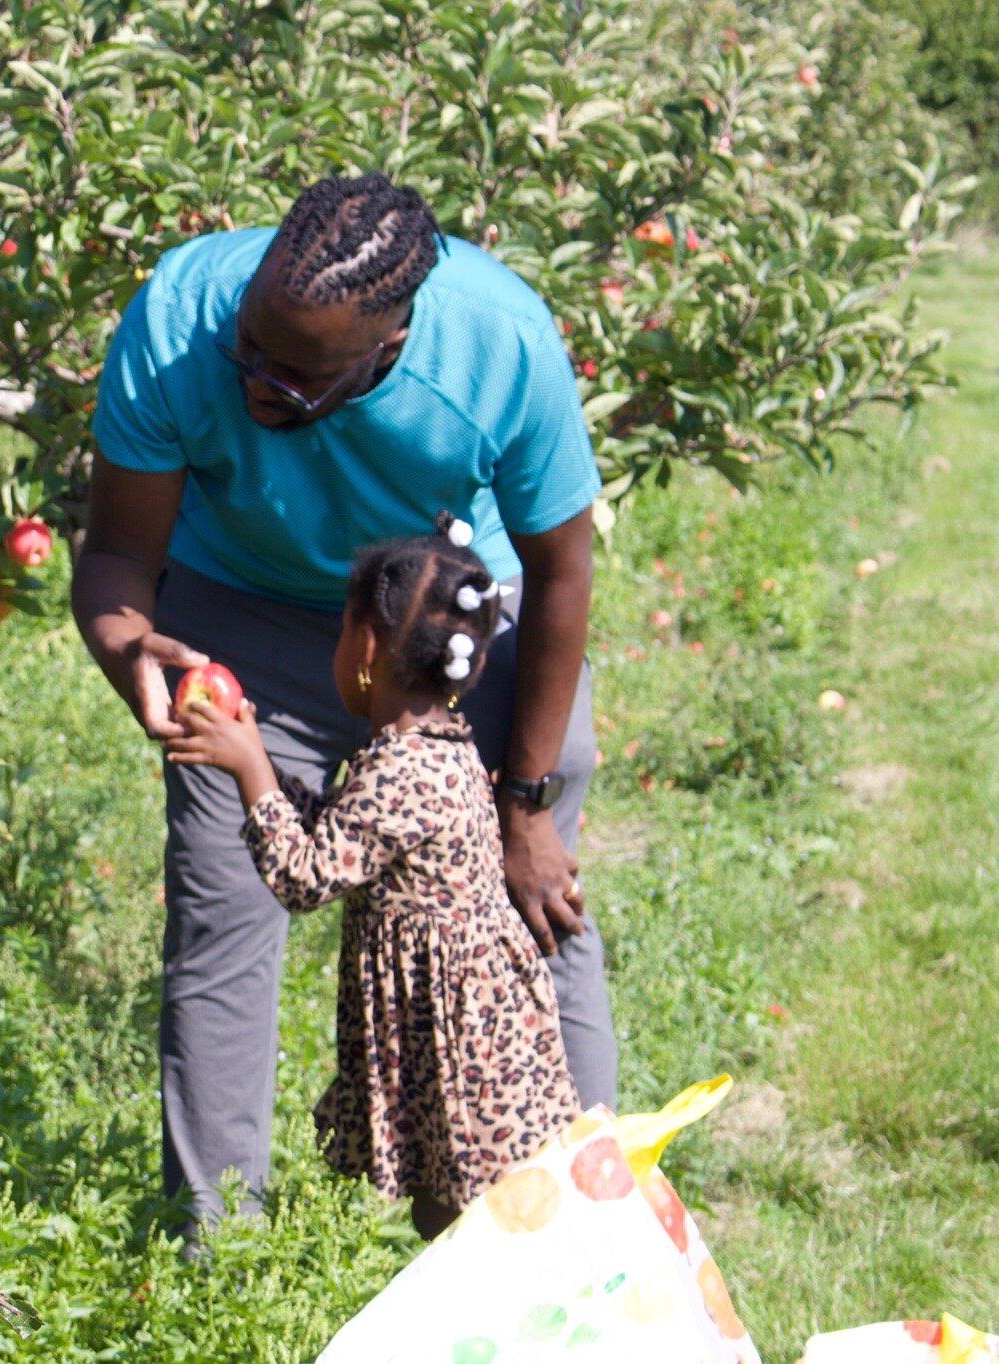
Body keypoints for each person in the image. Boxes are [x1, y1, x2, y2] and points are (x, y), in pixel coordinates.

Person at [71, 171, 616, 1233]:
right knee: (219, 924)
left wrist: (525, 801)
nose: (252, 378)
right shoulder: (180, 317)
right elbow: (119, 556)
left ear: (390, 342)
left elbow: (559, 576)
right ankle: (216, 1258)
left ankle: (589, 1235)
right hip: (245, 621)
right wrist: (132, 649)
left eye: (293, 376)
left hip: (445, 626)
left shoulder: (497, 345)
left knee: (528, 917)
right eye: (249, 346)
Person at [168, 516, 584, 1238]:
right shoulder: (436, 749)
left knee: (467, 1219)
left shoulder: (400, 771)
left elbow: (305, 877)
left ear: (362, 647)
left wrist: (248, 769)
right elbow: (345, 834)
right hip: (467, 1024)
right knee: (460, 1209)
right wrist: (261, 760)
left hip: (458, 1043)